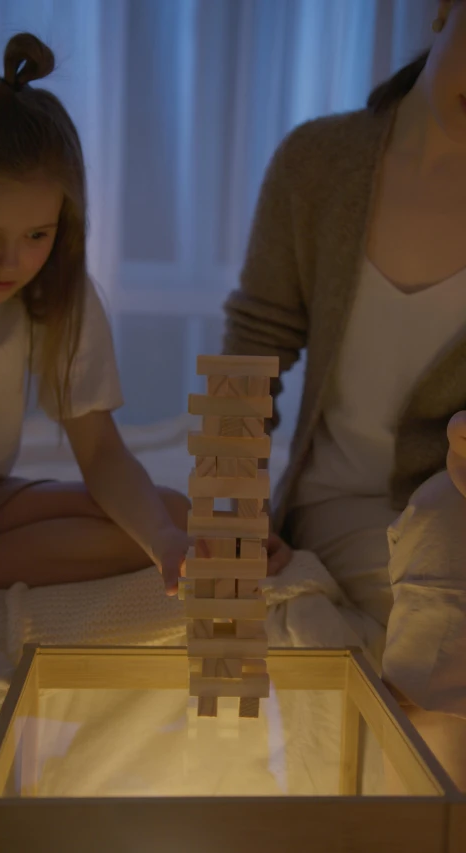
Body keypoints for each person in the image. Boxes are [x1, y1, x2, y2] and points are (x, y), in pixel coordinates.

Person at [223, 0, 466, 788]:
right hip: (340, 505)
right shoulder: (319, 162)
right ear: (442, 10)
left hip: (449, 507)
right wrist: (233, 511)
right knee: (430, 668)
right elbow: (255, 341)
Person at [0, 33, 192, 597]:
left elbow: (100, 451)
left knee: (173, 516)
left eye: (36, 235)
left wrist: (165, 543)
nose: (10, 260)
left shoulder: (55, 293)